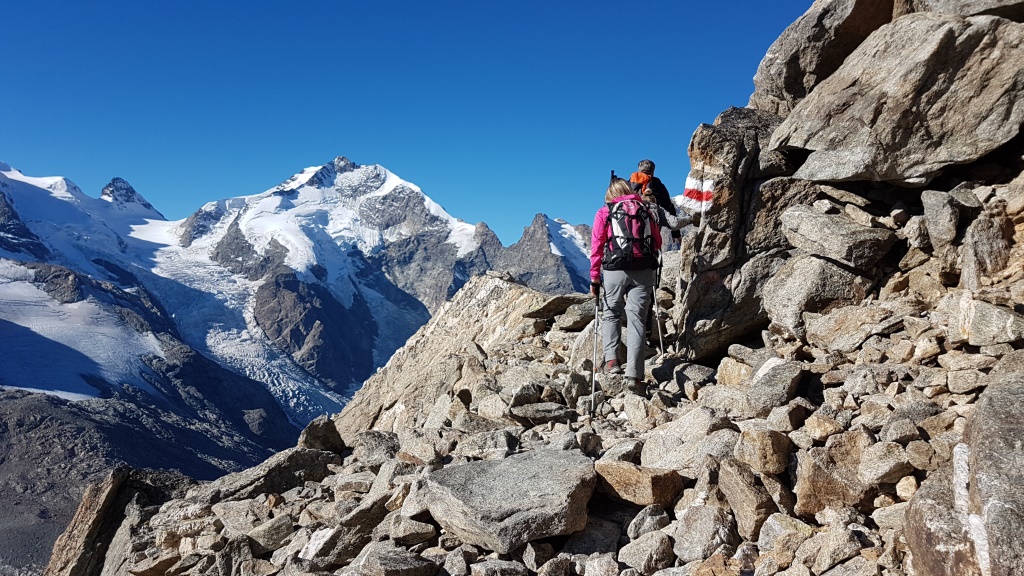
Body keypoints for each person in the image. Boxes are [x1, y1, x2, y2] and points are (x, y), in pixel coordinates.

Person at [589, 177, 662, 384]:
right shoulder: (646, 209)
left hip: (615, 270)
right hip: (643, 270)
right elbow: (657, 242)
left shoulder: (605, 211)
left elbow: (596, 246)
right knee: (637, 318)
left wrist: (594, 277)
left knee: (611, 313)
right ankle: (635, 375)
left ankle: (612, 361)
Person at [630, 159, 682, 247]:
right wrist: (675, 232)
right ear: (653, 171)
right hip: (652, 229)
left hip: (631, 229)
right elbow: (669, 207)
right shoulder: (657, 184)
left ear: (639, 169)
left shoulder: (628, 184)